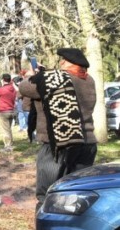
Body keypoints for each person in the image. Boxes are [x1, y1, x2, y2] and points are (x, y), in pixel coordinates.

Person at [18, 48, 97, 211]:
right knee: (77, 195)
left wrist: (32, 74)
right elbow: (55, 84)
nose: (60, 63)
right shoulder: (89, 80)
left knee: (48, 195)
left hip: (59, 145)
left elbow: (25, 88)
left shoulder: (54, 79)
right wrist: (45, 74)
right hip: (87, 143)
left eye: (63, 61)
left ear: (67, 63)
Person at [0, 74, 17, 152]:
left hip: (4, 111)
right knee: (9, 129)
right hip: (12, 110)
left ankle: (7, 147)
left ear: (3, 80)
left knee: (5, 130)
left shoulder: (2, 89)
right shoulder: (13, 88)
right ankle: (10, 144)